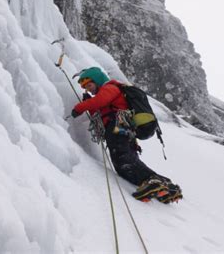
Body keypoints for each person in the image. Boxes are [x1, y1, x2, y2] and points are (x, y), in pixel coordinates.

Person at [71, 67, 182, 204]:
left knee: (123, 159)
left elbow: (101, 101)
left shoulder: (109, 87)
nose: (88, 89)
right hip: (124, 129)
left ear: (98, 80)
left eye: (89, 85)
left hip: (117, 126)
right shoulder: (108, 93)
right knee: (125, 162)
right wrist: (90, 104)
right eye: (85, 87)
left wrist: (80, 107)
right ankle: (166, 186)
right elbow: (101, 110)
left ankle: (152, 181)